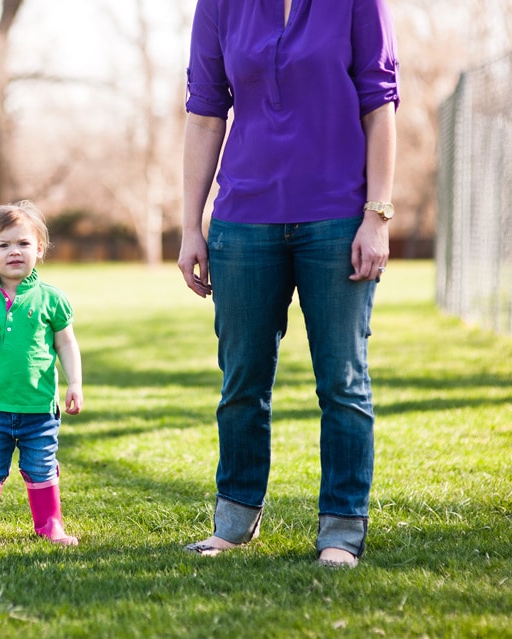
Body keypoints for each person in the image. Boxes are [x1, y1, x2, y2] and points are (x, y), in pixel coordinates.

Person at [178, 0, 400, 567]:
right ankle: (232, 523)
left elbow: (380, 106)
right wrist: (189, 226)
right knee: (242, 380)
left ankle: (341, 533)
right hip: (243, 220)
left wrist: (377, 216)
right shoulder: (221, 6)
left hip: (337, 217)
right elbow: (205, 113)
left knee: (342, 381)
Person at [0, 200, 83, 546]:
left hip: (39, 407)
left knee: (42, 467)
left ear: (39, 249)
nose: (15, 251)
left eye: (24, 243)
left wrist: (75, 383)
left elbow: (67, 344)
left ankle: (50, 526)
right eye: (4, 245)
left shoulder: (52, 299)